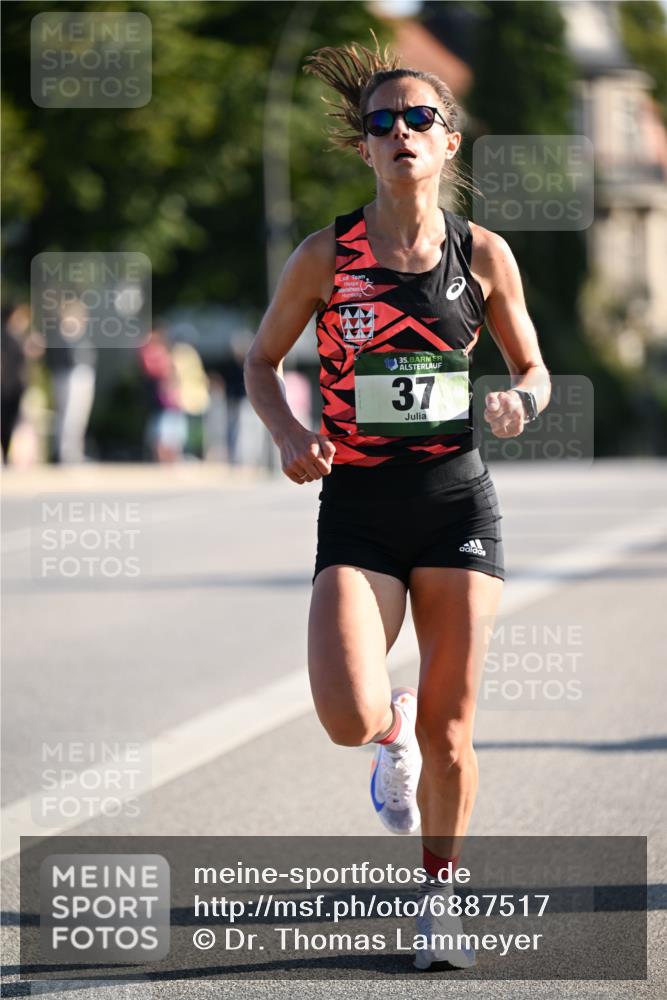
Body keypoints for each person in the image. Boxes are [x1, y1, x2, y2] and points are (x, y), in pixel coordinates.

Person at [244, 34, 550, 971]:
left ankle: (439, 902)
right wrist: (292, 436)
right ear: (366, 148)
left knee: (452, 733)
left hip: (456, 504)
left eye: (420, 118)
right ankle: (388, 736)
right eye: (383, 123)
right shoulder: (323, 257)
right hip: (361, 510)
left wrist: (517, 400)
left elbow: (532, 369)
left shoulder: (483, 255)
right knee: (345, 712)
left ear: (448, 142)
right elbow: (260, 362)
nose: (402, 133)